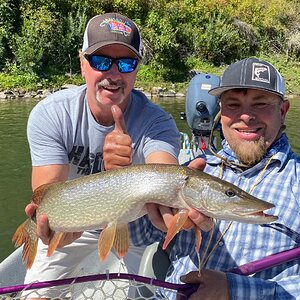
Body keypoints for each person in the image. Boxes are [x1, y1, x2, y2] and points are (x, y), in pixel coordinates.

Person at [22, 12, 206, 298]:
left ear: (137, 69)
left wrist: (169, 205)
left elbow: (164, 171)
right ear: (82, 64)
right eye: (101, 61)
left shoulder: (158, 123)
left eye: (126, 63)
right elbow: (47, 195)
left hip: (134, 231)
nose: (114, 74)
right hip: (72, 226)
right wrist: (53, 227)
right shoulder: (51, 115)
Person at [134, 57, 300, 299]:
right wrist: (133, 182)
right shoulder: (196, 169)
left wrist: (237, 291)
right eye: (233, 105)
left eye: (260, 104)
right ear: (220, 112)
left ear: (283, 111)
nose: (246, 116)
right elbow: (140, 237)